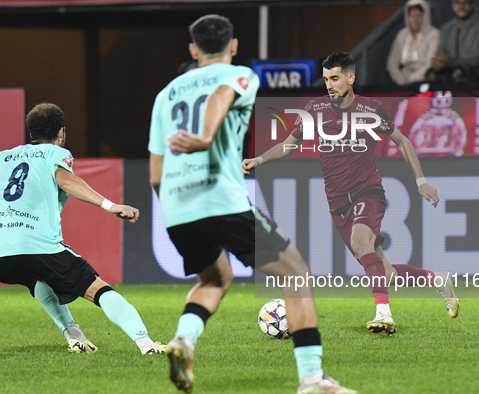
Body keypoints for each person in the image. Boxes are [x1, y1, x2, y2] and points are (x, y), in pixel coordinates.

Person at [149, 15, 356, 394]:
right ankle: (312, 380)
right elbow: (220, 96)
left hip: (177, 209)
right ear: (234, 46)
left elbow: (156, 175)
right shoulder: (239, 75)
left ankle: (183, 340)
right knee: (295, 275)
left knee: (214, 279)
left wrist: (176, 208)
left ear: (193, 50)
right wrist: (206, 136)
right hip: (222, 200)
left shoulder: (165, 95)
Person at [243, 52, 460, 335]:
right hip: (337, 203)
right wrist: (259, 160)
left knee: (361, 243)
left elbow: (403, 141)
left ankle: (384, 314)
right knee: (387, 273)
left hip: (368, 192)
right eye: (326, 79)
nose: (329, 85)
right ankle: (438, 280)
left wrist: (421, 181)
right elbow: (289, 144)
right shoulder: (314, 109)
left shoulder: (371, 110)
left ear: (351, 77)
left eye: (335, 78)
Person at [0, 103, 164, 356]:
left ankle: (74, 336)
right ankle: (146, 344)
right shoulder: (55, 153)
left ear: (31, 132)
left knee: (38, 279)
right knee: (97, 289)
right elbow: (65, 180)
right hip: (38, 245)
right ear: (61, 133)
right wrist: (109, 205)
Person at [429, 0, 479, 83]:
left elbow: (475, 60)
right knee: (431, 75)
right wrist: (439, 62)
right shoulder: (446, 29)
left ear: (473, 5)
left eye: (466, 3)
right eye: (457, 3)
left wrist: (448, 61)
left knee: (462, 78)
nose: (461, 7)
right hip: (452, 72)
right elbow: (441, 54)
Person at [387, 0, 439, 86]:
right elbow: (392, 63)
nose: (415, 20)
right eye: (412, 16)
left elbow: (430, 62)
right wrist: (401, 81)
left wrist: (414, 80)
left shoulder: (434, 34)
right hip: (404, 80)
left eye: (419, 16)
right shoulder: (402, 35)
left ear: (425, 16)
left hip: (425, 80)